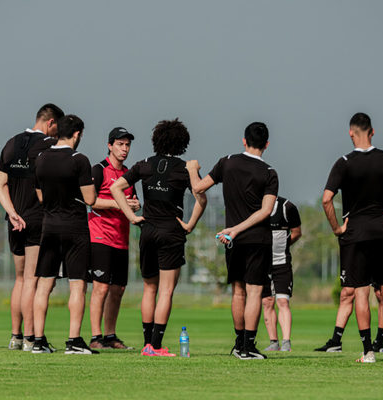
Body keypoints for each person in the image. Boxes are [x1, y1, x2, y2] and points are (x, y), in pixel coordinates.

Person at [322, 112, 383, 363]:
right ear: (373, 131)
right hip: (382, 231)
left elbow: (326, 199)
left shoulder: (344, 162)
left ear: (351, 133)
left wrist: (337, 228)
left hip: (355, 233)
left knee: (361, 292)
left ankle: (367, 352)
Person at [111, 118, 207, 357]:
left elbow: (116, 188)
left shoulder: (144, 164)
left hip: (148, 231)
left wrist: (132, 217)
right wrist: (191, 224)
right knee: (165, 291)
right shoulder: (185, 168)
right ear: (183, 143)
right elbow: (200, 195)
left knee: (149, 288)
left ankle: (146, 344)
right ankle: (155, 345)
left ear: (157, 140)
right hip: (171, 232)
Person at [189, 122, 278, 360]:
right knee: (254, 292)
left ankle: (239, 343)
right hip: (257, 239)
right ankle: (248, 346)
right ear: (267, 144)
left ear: (244, 140)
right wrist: (238, 229)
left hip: (233, 240)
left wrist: (191, 168)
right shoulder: (269, 173)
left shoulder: (226, 162)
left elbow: (198, 187)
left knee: (238, 292)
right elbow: (266, 211)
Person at [0, 103, 64, 351]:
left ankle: (16, 336)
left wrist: (12, 213)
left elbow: (0, 184)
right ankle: (32, 339)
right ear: (51, 123)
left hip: (15, 220)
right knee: (33, 281)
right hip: (37, 218)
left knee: (20, 279)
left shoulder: (11, 143)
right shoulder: (48, 145)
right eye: (57, 131)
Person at [31, 114, 97, 354]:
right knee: (77, 285)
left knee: (44, 285)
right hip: (75, 228)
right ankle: (74, 340)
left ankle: (38, 340)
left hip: (49, 226)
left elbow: (39, 196)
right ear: (77, 134)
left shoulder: (41, 158)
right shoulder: (79, 159)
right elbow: (90, 199)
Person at [315, 186, 383, 353]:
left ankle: (380, 342)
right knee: (347, 292)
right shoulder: (352, 182)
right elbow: (328, 201)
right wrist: (339, 230)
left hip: (380, 245)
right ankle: (336, 340)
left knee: (381, 293)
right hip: (354, 245)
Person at [88, 127, 140, 350]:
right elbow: (91, 201)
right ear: (110, 145)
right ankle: (95, 336)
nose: (124, 149)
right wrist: (120, 203)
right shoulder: (99, 169)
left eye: (127, 144)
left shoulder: (128, 173)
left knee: (118, 290)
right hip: (99, 235)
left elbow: (133, 201)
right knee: (100, 288)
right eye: (120, 144)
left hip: (122, 237)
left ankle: (110, 336)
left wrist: (135, 205)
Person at [262, 196, 301, 352]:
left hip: (282, 264)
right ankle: (273, 342)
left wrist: (283, 246)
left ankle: (286, 342)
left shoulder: (287, 207)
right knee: (267, 302)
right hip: (262, 264)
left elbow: (297, 232)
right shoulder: (254, 205)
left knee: (283, 301)